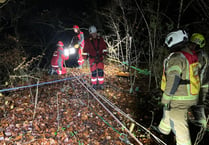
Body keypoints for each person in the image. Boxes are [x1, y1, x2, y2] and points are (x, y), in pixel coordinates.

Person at [152, 30, 200, 145]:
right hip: (189, 94)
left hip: (180, 96)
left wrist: (166, 97)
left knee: (178, 122)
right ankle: (163, 130)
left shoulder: (176, 58)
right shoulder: (188, 54)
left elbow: (174, 79)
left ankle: (183, 142)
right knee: (168, 110)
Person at [189, 33, 209, 129]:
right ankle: (199, 125)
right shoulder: (200, 54)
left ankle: (202, 128)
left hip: (201, 85)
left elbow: (198, 73)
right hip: (201, 84)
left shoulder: (200, 56)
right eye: (191, 43)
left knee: (198, 105)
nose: (192, 46)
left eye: (194, 44)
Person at [83, 25, 107, 90]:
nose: (94, 34)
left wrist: (105, 54)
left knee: (100, 71)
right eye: (92, 33)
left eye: (94, 33)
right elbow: (85, 50)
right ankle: (94, 84)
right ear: (90, 34)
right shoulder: (88, 41)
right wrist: (85, 57)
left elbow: (104, 48)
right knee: (93, 72)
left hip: (100, 58)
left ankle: (101, 84)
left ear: (96, 32)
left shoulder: (100, 39)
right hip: (92, 58)